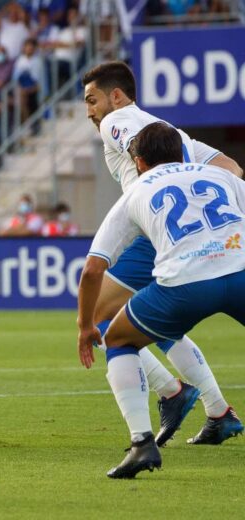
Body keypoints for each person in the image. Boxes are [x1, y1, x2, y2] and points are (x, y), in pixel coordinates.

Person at [81, 61, 243, 446]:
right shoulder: (175, 134)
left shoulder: (116, 122)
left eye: (92, 100)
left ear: (116, 96)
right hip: (197, 237)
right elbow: (232, 168)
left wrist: (157, 191)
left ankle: (171, 392)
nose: (90, 111)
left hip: (158, 230)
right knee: (159, 319)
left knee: (102, 316)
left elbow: (141, 149)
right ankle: (217, 410)